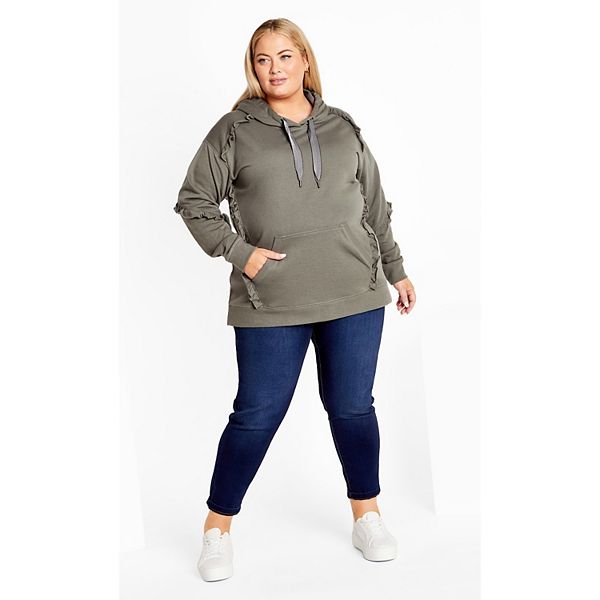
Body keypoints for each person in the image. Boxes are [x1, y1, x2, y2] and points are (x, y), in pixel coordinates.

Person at [173, 18, 416, 582]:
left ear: (305, 60)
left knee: (353, 408)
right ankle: (217, 527)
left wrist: (396, 269)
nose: (275, 68)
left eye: (285, 56)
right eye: (263, 59)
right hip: (271, 300)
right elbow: (194, 201)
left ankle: (367, 516)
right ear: (253, 68)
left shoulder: (342, 127)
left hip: (356, 291)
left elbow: (374, 204)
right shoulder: (235, 130)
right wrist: (241, 253)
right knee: (257, 414)